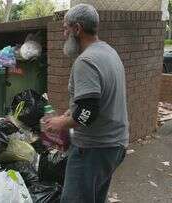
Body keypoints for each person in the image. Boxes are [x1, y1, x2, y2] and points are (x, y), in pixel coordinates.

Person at [42, 4, 129, 203]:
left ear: (77, 29)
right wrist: (71, 111)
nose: (64, 34)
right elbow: (98, 100)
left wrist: (60, 123)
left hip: (94, 149)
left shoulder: (86, 61)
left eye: (65, 28)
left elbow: (88, 113)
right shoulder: (108, 52)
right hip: (115, 145)